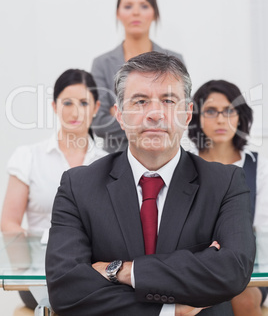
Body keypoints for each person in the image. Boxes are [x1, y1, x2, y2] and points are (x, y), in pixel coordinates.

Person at [46, 52, 255, 316]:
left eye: (168, 101)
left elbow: (233, 270)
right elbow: (66, 290)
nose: (155, 114)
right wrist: (169, 310)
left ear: (187, 114)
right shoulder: (78, 186)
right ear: (120, 115)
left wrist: (123, 270)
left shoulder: (225, 183)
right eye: (140, 101)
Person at [1, 68, 108, 309]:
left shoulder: (108, 163)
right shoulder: (28, 156)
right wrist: (25, 269)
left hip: (94, 276)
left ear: (96, 107)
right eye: (67, 103)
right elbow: (9, 222)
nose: (75, 111)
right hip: (41, 278)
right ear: (54, 106)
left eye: (83, 102)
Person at [188, 79, 268, 316]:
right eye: (211, 111)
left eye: (229, 111)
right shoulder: (185, 162)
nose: (221, 120)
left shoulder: (258, 164)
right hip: (194, 263)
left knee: (244, 299)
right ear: (197, 117)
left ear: (240, 116)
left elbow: (263, 228)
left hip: (247, 264)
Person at [91, 0, 184, 153]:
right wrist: (156, 117)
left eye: (144, 6)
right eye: (128, 6)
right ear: (118, 13)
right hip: (116, 159)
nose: (135, 12)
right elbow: (99, 123)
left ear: (155, 13)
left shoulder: (174, 60)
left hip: (163, 156)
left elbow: (179, 116)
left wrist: (127, 113)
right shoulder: (102, 63)